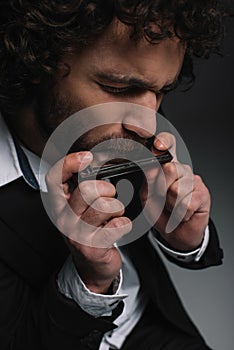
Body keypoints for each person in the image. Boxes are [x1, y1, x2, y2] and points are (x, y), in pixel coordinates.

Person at [0, 1, 230, 349]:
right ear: (36, 62)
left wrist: (186, 240)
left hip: (152, 327)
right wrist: (88, 279)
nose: (149, 124)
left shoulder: (136, 102)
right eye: (118, 90)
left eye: (161, 91)